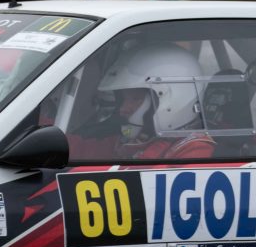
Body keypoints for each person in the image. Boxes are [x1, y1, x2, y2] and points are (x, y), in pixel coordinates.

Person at [69, 43, 216, 160]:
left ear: (172, 98)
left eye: (135, 99)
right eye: (123, 99)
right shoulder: (137, 138)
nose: (123, 109)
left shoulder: (195, 150)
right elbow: (85, 150)